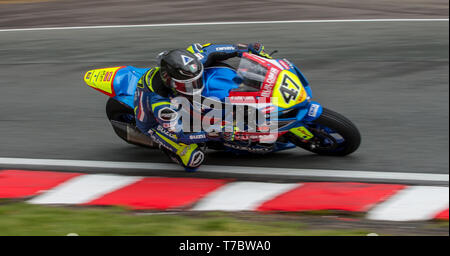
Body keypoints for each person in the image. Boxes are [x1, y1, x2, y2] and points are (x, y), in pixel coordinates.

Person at [133, 43, 272, 171]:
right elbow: (181, 133)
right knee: (193, 159)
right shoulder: (161, 104)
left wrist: (247, 49)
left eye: (198, 80)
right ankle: (169, 149)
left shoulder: (192, 61)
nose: (196, 87)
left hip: (177, 100)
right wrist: (217, 132)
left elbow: (215, 49)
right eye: (188, 85)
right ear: (171, 82)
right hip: (153, 124)